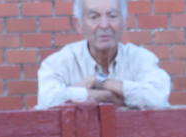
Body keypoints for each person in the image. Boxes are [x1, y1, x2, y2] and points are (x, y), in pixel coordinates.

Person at [37, 0, 171, 110]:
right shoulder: (59, 62)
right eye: (94, 17)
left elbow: (158, 97)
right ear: (79, 24)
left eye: (112, 16)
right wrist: (104, 96)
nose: (104, 25)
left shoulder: (141, 59)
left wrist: (100, 81)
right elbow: (46, 100)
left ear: (124, 21)